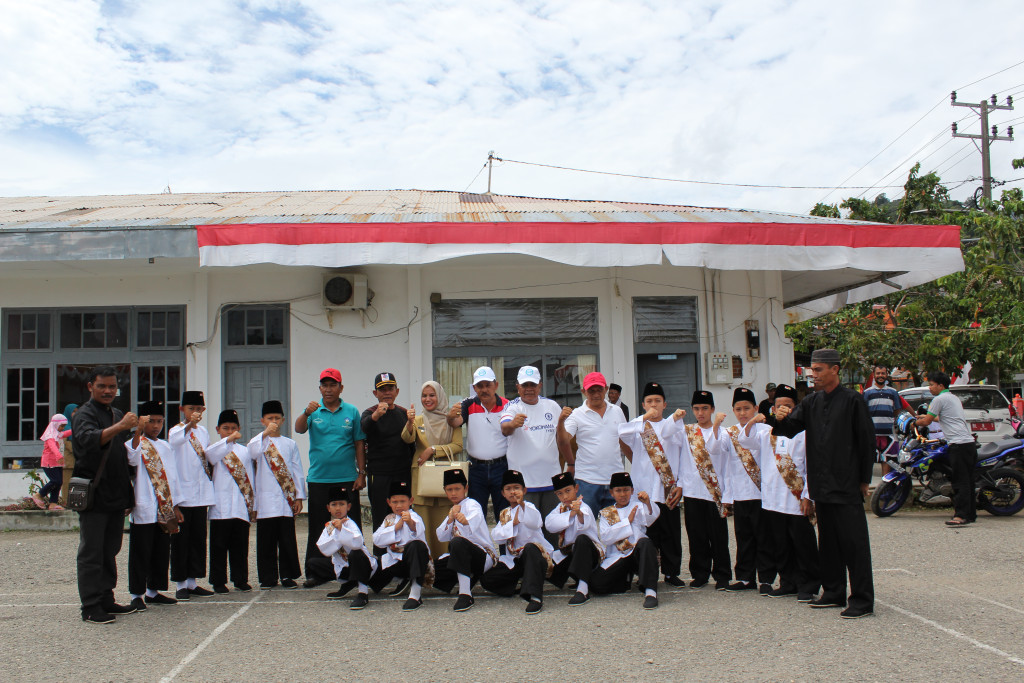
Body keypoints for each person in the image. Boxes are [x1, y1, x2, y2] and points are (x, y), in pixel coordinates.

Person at [772, 348, 876, 619]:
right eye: (812, 370)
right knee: (828, 543)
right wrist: (780, 418)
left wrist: (864, 479)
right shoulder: (812, 402)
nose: (813, 374)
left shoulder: (853, 400)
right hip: (821, 484)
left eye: (818, 369)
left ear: (835, 370)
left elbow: (866, 441)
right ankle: (833, 591)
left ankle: (862, 599)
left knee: (854, 544)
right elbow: (790, 428)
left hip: (846, 483)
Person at [740, 384, 821, 602]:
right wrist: (752, 422)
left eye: (788, 405)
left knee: (802, 545)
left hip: (795, 498)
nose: (783, 409)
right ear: (772, 409)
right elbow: (744, 441)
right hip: (772, 499)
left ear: (796, 409)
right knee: (780, 544)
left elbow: (812, 466)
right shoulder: (767, 432)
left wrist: (807, 495)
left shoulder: (804, 433)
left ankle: (809, 584)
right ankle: (788, 582)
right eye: (778, 406)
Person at [73, 366, 138, 624]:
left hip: (115, 493)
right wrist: (120, 426)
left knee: (110, 549)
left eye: (112, 386)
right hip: (94, 493)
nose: (108, 391)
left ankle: (107, 598)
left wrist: (128, 496)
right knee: (92, 551)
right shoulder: (83, 414)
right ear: (90, 386)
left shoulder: (116, 413)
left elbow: (122, 455)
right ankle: (90, 606)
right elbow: (89, 441)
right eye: (102, 386)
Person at [294, 368, 366, 587]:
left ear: (340, 388)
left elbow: (359, 443)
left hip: (346, 478)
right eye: (324, 385)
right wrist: (306, 413)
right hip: (319, 479)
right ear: (320, 388)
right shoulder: (313, 411)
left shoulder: (351, 411)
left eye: (332, 385)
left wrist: (361, 473)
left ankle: (355, 570)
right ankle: (316, 571)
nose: (328, 389)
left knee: (350, 525)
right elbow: (298, 429)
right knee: (318, 525)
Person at [617, 381, 685, 587]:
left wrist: (681, 484)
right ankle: (646, 574)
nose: (654, 404)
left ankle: (672, 573)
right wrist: (643, 419)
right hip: (644, 490)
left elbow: (682, 457)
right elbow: (621, 433)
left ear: (665, 404)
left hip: (667, 489)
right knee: (647, 535)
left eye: (657, 401)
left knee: (671, 534)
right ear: (643, 405)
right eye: (649, 401)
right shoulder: (638, 427)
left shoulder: (674, 426)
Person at [663, 390, 732, 590]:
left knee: (718, 536)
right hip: (692, 491)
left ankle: (722, 575)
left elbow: (718, 453)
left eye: (704, 408)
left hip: (714, 492)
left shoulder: (723, 432)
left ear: (712, 410)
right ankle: (700, 573)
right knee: (696, 535)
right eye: (696, 408)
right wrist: (674, 417)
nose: (700, 413)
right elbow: (668, 436)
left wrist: (717, 426)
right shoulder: (687, 431)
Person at [125, 400, 184, 611]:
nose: (156, 426)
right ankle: (136, 594)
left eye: (160, 421)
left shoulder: (166, 446)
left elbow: (173, 478)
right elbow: (131, 458)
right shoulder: (136, 443)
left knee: (160, 551)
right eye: (151, 422)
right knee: (140, 552)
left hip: (164, 506)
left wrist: (176, 505)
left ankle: (153, 591)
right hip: (144, 505)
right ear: (143, 422)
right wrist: (138, 431)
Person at [714, 388, 770, 593]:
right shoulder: (729, 432)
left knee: (763, 537)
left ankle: (766, 578)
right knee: (743, 537)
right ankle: (746, 577)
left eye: (747, 408)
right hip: (740, 493)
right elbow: (719, 454)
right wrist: (717, 425)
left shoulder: (766, 430)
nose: (743, 413)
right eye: (738, 409)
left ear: (755, 408)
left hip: (761, 493)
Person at [247, 400, 307, 589]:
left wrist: (299, 497)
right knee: (266, 540)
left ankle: (288, 575)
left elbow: (297, 470)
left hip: (285, 499)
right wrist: (265, 434)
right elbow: (252, 453)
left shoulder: (290, 444)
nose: (274, 421)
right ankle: (268, 576)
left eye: (277, 418)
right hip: (265, 499)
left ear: (283, 420)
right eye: (270, 418)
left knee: (287, 539)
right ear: (262, 420)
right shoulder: (259, 442)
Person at [500, 366, 564, 541]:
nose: (529, 389)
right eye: (525, 385)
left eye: (533, 384)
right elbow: (505, 429)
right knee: (526, 533)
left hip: (551, 481)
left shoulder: (552, 406)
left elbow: (562, 438)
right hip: (525, 484)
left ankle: (554, 565)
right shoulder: (512, 407)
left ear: (540, 385)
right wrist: (513, 424)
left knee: (553, 531)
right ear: (518, 387)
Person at [402, 380, 464, 560]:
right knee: (423, 523)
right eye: (424, 395)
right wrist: (409, 422)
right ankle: (424, 565)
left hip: (446, 478)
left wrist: (433, 450)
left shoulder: (452, 420)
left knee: (445, 521)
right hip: (422, 478)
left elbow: (458, 445)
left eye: (432, 395)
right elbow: (407, 439)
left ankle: (445, 566)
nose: (427, 399)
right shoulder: (418, 420)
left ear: (440, 396)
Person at [480, 469, 555, 614]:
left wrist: (522, 506)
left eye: (516, 488)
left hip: (535, 557)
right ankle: (519, 585)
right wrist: (512, 524)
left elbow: (536, 523)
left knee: (530, 548)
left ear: (524, 490)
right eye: (508, 489)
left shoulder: (530, 507)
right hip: (515, 559)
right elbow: (497, 537)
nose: (513, 492)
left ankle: (535, 597)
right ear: (502, 493)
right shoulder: (504, 513)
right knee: (487, 580)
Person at [556, 371, 626, 516]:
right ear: (583, 391)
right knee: (585, 528)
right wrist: (561, 421)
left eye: (599, 390)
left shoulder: (617, 411)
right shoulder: (577, 414)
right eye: (591, 391)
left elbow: (624, 441)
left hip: (615, 480)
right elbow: (563, 440)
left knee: (616, 529)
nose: (595, 394)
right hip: (587, 481)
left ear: (606, 389)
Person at [167, 390, 214, 600]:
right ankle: (180, 583)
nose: (195, 412)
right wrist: (188, 425)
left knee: (198, 539)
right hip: (183, 493)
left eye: (198, 409)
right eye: (191, 409)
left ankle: (193, 582)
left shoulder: (204, 432)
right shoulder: (175, 430)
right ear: (182, 410)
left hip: (201, 493)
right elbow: (176, 441)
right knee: (181, 540)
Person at [447, 366, 511, 518]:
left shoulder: (508, 405)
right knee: (475, 515)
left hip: (501, 467)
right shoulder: (468, 404)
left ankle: (504, 543)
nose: (484, 390)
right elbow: (455, 422)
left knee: (504, 514)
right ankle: (477, 543)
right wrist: (450, 416)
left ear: (496, 385)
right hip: (476, 469)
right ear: (474, 387)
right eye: (480, 386)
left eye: (488, 385)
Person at [361, 372, 415, 551]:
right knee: (381, 516)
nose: (387, 393)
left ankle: (403, 555)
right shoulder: (369, 413)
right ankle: (380, 558)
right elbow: (364, 428)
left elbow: (411, 443)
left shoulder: (403, 413)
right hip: (379, 474)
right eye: (382, 389)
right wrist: (377, 414)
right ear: (375, 393)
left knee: (403, 515)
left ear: (397, 391)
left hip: (402, 473)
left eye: (390, 388)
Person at [915, 371, 976, 527]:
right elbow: (942, 418)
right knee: (968, 481)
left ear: (940, 385)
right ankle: (970, 514)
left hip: (958, 445)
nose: (929, 388)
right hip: (968, 444)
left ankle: (960, 516)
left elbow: (927, 422)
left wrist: (914, 423)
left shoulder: (938, 399)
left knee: (960, 482)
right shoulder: (953, 398)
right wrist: (922, 417)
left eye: (931, 384)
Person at [205, 409, 257, 593]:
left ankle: (240, 579)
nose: (230, 431)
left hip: (240, 505)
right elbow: (209, 456)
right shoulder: (215, 449)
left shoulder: (245, 451)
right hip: (220, 506)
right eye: (225, 428)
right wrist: (226, 441)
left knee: (240, 546)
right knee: (218, 546)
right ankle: (218, 581)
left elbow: (251, 477)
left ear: (239, 428)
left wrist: (253, 504)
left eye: (233, 428)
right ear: (218, 429)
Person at [591, 471, 660, 609]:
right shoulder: (606, 513)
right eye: (618, 491)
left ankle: (651, 592)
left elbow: (651, 519)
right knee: (596, 584)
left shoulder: (638, 506)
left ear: (632, 491)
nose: (623, 494)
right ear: (612, 493)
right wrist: (627, 522)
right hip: (618, 556)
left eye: (626, 490)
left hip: (637, 555)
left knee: (645, 542)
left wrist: (647, 503)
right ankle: (625, 579)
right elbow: (606, 537)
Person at [432, 469, 497, 612]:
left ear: (466, 488)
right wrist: (450, 518)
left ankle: (465, 594)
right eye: (449, 489)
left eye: (457, 489)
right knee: (430, 570)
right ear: (445, 491)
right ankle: (469, 576)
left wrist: (465, 520)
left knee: (458, 542)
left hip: (482, 555)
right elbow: (441, 536)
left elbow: (476, 517)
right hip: (462, 557)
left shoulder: (472, 504)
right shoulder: (453, 509)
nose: (453, 493)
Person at [370, 480, 432, 611]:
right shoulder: (389, 519)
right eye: (395, 502)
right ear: (389, 502)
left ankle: (415, 595)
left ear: (411, 501)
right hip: (395, 563)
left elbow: (417, 530)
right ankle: (402, 580)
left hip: (412, 562)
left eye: (403, 501)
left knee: (416, 546)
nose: (399, 506)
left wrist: (409, 522)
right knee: (372, 577)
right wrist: (395, 528)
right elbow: (377, 540)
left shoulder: (414, 516)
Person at [545, 471, 604, 606]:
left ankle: (583, 589)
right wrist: (571, 514)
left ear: (576, 489)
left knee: (582, 540)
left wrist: (577, 513)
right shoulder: (560, 509)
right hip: (570, 554)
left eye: (568, 491)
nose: (565, 496)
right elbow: (549, 524)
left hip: (590, 555)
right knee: (545, 563)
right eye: (560, 493)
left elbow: (584, 525)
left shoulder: (584, 507)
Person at [316, 485, 378, 610]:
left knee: (356, 553)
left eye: (341, 504)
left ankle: (363, 593)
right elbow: (324, 549)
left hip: (362, 566)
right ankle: (347, 584)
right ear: (328, 508)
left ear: (348, 506)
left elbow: (357, 544)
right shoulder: (328, 527)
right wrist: (337, 533)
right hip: (344, 567)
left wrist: (341, 530)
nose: (338, 508)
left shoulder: (350, 524)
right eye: (334, 504)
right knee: (314, 563)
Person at [863, 365, 913, 475]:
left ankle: (885, 487)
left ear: (886, 375)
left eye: (883, 373)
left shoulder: (893, 392)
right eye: (878, 373)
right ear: (874, 375)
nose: (881, 376)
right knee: (868, 460)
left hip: (889, 434)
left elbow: (897, 410)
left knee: (888, 460)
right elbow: (863, 412)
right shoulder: (867, 393)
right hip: (872, 434)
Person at [35, 413, 71, 509]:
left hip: (57, 463)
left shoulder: (57, 434)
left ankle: (53, 503)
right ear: (55, 425)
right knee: (55, 481)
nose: (62, 428)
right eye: (61, 426)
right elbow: (53, 447)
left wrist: (75, 430)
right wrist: (59, 456)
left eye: (63, 426)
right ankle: (39, 494)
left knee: (59, 482)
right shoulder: (50, 436)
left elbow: (65, 434)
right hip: (49, 463)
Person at [59, 403, 79, 507]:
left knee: (75, 484)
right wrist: (78, 449)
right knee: (66, 483)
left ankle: (74, 501)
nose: (75, 414)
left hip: (76, 460)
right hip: (67, 461)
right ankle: (65, 502)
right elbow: (66, 443)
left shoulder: (76, 425)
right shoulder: (65, 426)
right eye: (73, 411)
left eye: (77, 411)